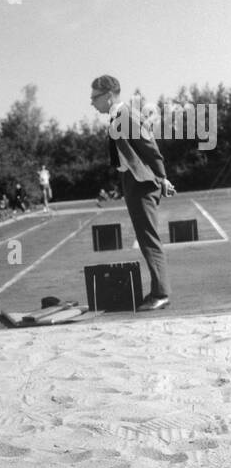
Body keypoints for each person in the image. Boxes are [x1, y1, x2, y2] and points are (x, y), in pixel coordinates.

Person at [91, 75, 175, 311]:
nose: (91, 103)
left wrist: (162, 177)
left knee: (148, 238)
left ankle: (161, 293)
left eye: (94, 97)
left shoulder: (126, 116)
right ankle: (159, 291)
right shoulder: (117, 116)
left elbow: (150, 148)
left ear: (108, 96)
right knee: (145, 236)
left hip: (142, 183)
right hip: (132, 180)